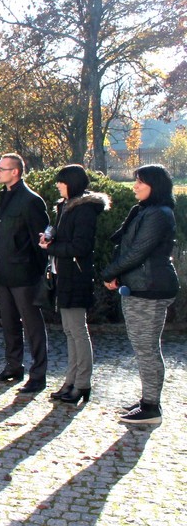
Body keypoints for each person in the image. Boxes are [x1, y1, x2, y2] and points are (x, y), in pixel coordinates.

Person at [101, 165, 180, 425]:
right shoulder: (147, 210)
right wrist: (118, 275)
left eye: (140, 182)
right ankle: (148, 399)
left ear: (155, 186)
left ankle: (151, 408)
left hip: (151, 288)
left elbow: (138, 252)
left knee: (147, 348)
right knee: (143, 347)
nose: (134, 186)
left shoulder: (158, 214)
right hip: (141, 285)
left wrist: (110, 272)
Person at [38, 165, 109, 405]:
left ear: (72, 183)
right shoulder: (65, 207)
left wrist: (52, 248)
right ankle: (71, 380)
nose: (58, 185)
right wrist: (50, 239)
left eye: (62, 181)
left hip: (76, 276)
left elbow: (81, 247)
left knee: (78, 331)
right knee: (70, 331)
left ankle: (82, 383)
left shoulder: (84, 210)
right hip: (64, 275)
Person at [0, 153, 51, 394]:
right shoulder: (5, 196)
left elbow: (40, 241)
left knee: (33, 326)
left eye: (1, 169)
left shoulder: (31, 200)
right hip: (6, 272)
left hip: (25, 274)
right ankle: (13, 366)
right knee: (9, 323)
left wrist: (38, 273)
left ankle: (38, 375)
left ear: (15, 172)